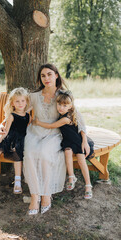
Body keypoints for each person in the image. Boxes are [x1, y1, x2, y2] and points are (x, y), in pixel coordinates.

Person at [23, 64, 90, 215]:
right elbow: (21, 111)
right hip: (34, 131)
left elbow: (78, 117)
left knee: (45, 154)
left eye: (49, 74)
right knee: (30, 153)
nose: (46, 78)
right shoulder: (34, 96)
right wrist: (5, 123)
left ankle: (46, 194)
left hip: (54, 133)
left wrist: (84, 140)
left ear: (56, 76)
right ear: (40, 79)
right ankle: (35, 196)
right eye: (43, 76)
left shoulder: (63, 95)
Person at [33, 90, 94, 200]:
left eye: (64, 105)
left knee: (81, 160)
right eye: (59, 104)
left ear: (70, 106)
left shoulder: (66, 118)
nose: (61, 107)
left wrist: (38, 123)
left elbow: (52, 126)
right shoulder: (67, 114)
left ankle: (88, 185)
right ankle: (71, 177)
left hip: (76, 141)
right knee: (67, 152)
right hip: (68, 141)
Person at [0, 87, 31, 197]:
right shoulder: (11, 116)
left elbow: (30, 129)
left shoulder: (28, 116)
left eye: (22, 101)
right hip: (8, 140)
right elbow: (5, 131)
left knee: (17, 157)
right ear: (13, 103)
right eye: (17, 101)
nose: (20, 103)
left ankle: (17, 182)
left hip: (19, 142)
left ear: (26, 101)